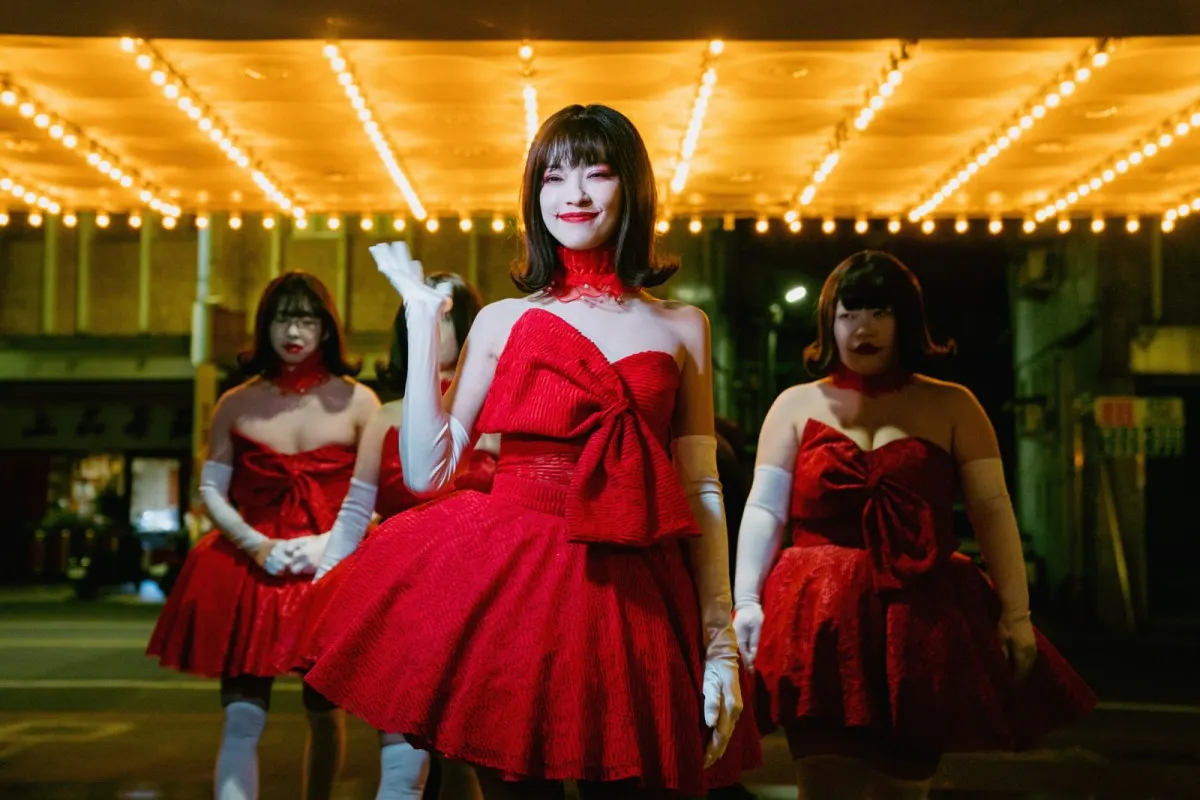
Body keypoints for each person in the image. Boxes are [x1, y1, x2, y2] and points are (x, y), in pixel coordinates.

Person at [304, 103, 759, 798]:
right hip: (514, 577)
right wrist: (425, 325)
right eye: (553, 176)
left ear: (632, 187)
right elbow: (428, 471)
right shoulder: (503, 320)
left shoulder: (681, 325)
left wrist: (718, 637)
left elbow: (700, 486)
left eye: (596, 172)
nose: (572, 194)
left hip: (634, 579)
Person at [733, 250, 1096, 799]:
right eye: (849, 312)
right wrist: (747, 600)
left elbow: (993, 510)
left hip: (920, 626)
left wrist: (1017, 615)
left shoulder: (954, 405)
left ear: (907, 320)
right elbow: (764, 508)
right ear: (829, 323)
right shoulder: (793, 406)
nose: (863, 328)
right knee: (824, 783)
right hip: (819, 625)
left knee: (904, 789)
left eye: (879, 311)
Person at [147, 271, 379, 800]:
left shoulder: (360, 402)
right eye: (281, 317)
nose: (293, 330)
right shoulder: (236, 401)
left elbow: (370, 497)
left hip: (331, 568)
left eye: (305, 317)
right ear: (263, 325)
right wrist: (257, 544)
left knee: (326, 711)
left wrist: (327, 546)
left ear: (326, 327)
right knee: (243, 716)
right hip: (250, 566)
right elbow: (211, 487)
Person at [286, 272, 491, 800]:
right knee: (402, 764)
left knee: (473, 758)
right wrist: (326, 591)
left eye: (445, 312)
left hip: (483, 602)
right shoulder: (386, 418)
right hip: (404, 604)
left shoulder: (500, 414)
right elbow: (356, 511)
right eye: (418, 312)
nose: (433, 323)